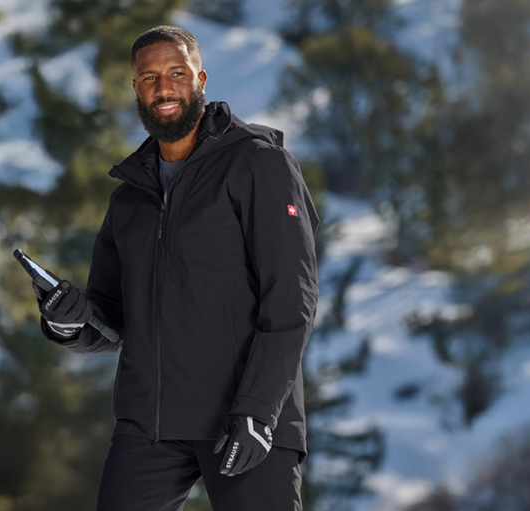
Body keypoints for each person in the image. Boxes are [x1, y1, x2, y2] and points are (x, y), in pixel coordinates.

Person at [33, 25, 319, 511]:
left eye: (176, 74)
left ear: (201, 80)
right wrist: (67, 323)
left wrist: (258, 411)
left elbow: (291, 301)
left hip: (245, 418)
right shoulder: (129, 197)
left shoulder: (258, 164)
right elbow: (111, 319)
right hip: (151, 426)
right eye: (149, 77)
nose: (163, 88)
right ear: (135, 89)